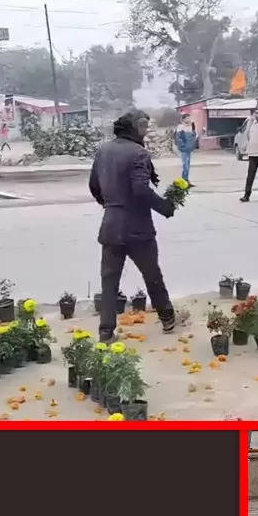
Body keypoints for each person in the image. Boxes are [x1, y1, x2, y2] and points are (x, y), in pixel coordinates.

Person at [88, 110, 178, 342]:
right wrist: (165, 207)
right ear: (131, 127)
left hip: (110, 225)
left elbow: (94, 186)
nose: (146, 131)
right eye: (142, 126)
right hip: (137, 228)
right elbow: (140, 190)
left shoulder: (103, 150)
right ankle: (167, 317)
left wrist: (111, 206)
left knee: (109, 282)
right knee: (152, 275)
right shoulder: (138, 152)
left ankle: (106, 332)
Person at [174, 114, 198, 184]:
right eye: (187, 118)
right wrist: (182, 147)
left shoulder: (191, 127)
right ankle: (184, 181)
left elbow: (194, 136)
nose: (189, 119)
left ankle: (185, 180)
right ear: (183, 119)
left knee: (187, 165)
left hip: (189, 149)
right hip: (183, 149)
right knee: (185, 166)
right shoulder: (180, 127)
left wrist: (193, 145)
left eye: (189, 118)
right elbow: (178, 138)